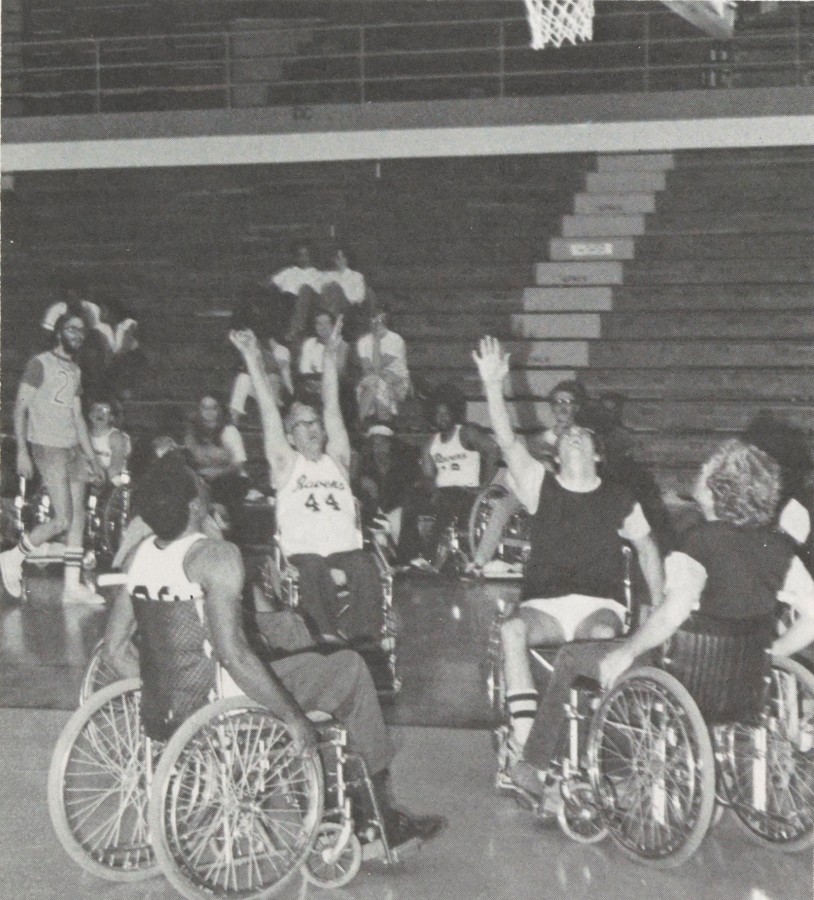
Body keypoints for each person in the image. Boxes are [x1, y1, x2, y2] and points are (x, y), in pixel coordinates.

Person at [102, 452, 445, 851]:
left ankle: (332, 805)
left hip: (171, 705)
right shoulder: (214, 557)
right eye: (197, 480)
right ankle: (380, 817)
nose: (204, 480)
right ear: (195, 506)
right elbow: (234, 656)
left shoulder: (140, 555)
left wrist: (168, 690)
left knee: (308, 661)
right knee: (349, 668)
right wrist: (291, 717)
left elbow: (115, 649)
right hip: (227, 697)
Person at [512, 439, 814, 803]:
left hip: (684, 673)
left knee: (574, 658)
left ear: (717, 489)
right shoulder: (777, 549)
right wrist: (768, 653)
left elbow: (674, 612)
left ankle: (534, 766)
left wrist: (627, 650)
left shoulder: (698, 542)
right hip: (745, 684)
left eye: (705, 470)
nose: (699, 474)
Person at [472, 336, 663, 782]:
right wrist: (494, 385)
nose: (574, 435)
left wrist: (656, 607)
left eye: (583, 435)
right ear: (556, 453)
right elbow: (506, 439)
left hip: (599, 604)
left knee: (600, 636)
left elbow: (648, 549)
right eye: (568, 435)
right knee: (512, 629)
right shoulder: (540, 485)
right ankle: (525, 745)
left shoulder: (619, 495)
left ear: (597, 452)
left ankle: (599, 747)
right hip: (545, 606)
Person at [229, 321, 383, 646]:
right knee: (313, 569)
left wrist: (329, 357)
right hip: (304, 555)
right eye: (301, 425)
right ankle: (325, 639)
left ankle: (365, 642)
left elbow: (332, 406)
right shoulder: (287, 464)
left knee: (365, 564)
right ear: (290, 437)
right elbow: (269, 412)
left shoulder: (337, 460)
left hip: (345, 551)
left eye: (314, 423)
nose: (311, 429)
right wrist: (251, 357)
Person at [0, 313, 106, 604]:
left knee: (78, 516)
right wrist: (22, 451)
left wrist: (93, 459)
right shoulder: (40, 363)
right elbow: (20, 408)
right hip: (48, 447)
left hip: (72, 448)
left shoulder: (75, 369)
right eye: (72, 329)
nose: (78, 334)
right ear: (59, 332)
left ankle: (72, 587)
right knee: (62, 519)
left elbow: (78, 417)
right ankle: (13, 557)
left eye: (82, 331)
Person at [466, 378, 587, 576]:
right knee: (502, 507)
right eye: (558, 402)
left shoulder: (583, 436)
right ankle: (479, 562)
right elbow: (526, 454)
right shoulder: (544, 436)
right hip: (534, 489)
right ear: (552, 407)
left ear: (577, 407)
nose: (562, 407)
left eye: (567, 402)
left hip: (565, 494)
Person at [398, 382, 500, 569]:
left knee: (445, 500)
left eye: (446, 413)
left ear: (454, 412)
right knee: (411, 502)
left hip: (466, 493)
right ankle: (406, 559)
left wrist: (484, 484)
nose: (442, 418)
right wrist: (426, 486)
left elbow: (493, 451)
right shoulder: (431, 443)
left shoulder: (466, 433)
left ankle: (429, 558)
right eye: (438, 414)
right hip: (442, 492)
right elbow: (428, 475)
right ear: (432, 416)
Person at [183, 394, 249, 530]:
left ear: (220, 410)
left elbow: (238, 464)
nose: (209, 412)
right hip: (202, 480)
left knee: (223, 488)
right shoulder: (192, 434)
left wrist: (216, 474)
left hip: (230, 480)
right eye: (204, 408)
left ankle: (226, 527)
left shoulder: (229, 431)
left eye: (213, 408)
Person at [354, 423, 420, 543]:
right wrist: (361, 484)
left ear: (391, 444)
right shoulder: (365, 466)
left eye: (383, 443)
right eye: (375, 444)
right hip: (374, 513)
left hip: (399, 511)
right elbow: (356, 492)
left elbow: (414, 487)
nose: (379, 448)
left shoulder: (405, 463)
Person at [354, 305, 411, 426]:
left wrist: (376, 342)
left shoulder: (396, 340)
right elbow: (367, 369)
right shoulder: (363, 341)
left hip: (398, 381)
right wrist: (375, 340)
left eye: (381, 321)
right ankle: (368, 423)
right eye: (373, 320)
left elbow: (377, 366)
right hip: (374, 379)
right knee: (373, 384)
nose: (377, 324)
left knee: (376, 385)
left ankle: (362, 422)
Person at [87, 398, 131, 485]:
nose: (100, 413)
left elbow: (116, 466)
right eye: (97, 410)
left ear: (111, 417)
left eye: (105, 411)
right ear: (90, 415)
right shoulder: (85, 435)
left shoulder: (115, 436)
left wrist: (102, 478)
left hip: (113, 476)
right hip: (92, 477)